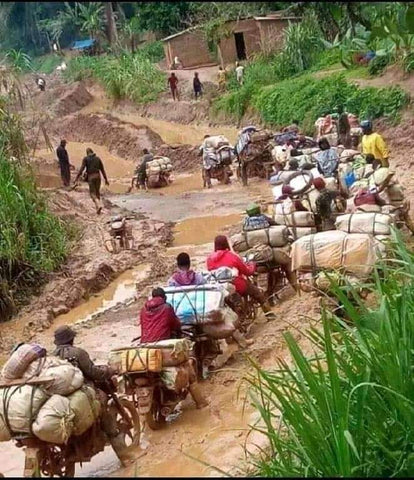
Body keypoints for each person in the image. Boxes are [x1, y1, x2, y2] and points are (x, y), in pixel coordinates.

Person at [53, 326, 133, 465]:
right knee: (107, 414)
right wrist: (109, 371)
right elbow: (93, 373)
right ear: (71, 339)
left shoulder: (52, 357)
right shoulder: (78, 353)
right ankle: (125, 458)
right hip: (84, 392)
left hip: (61, 399)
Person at [139, 288, 208, 409]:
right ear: (164, 297)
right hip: (163, 346)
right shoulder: (166, 308)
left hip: (145, 347)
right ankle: (201, 403)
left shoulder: (143, 309)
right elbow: (175, 324)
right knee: (189, 370)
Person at [207, 235, 275, 319]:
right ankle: (270, 315)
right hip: (237, 285)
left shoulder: (209, 259)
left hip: (220, 288)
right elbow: (247, 272)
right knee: (258, 294)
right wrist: (252, 265)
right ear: (226, 243)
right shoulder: (232, 256)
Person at [74, 148, 109, 214]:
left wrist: (77, 178)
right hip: (98, 176)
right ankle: (98, 208)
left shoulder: (86, 159)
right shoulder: (98, 158)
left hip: (91, 177)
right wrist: (106, 179)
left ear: (87, 153)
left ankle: (98, 205)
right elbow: (102, 170)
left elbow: (82, 168)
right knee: (97, 192)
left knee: (92, 193)